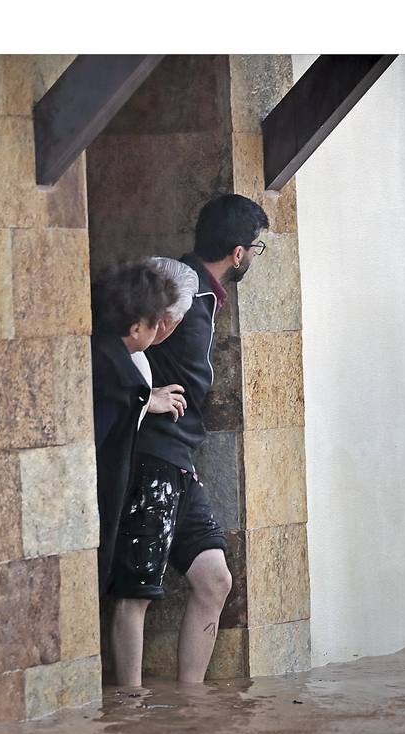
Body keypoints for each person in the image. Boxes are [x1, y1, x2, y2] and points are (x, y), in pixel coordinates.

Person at [107, 194, 270, 687]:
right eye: (255, 249)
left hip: (180, 460)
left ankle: (189, 707)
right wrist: (143, 396)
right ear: (239, 254)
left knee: (214, 580)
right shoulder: (176, 289)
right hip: (150, 456)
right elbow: (106, 337)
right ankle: (131, 714)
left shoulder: (198, 294)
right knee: (134, 590)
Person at [89, 262, 186, 599]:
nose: (161, 328)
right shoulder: (118, 378)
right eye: (155, 322)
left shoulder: (99, 352)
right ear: (135, 328)